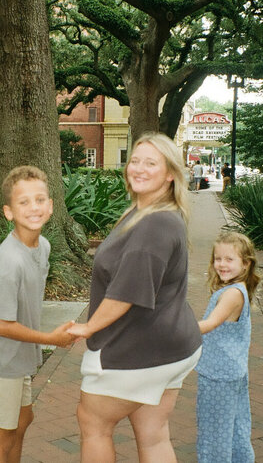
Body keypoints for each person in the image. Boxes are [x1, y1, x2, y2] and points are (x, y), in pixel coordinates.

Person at [68, 133, 203, 462]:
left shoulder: (153, 225)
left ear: (170, 173)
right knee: (153, 434)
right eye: (136, 160)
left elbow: (127, 292)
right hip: (173, 346)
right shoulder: (150, 213)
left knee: (94, 422)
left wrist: (87, 329)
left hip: (138, 350)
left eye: (151, 163)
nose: (139, 168)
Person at [0, 165, 75, 463]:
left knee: (23, 420)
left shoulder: (44, 247)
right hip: (2, 358)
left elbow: (0, 306)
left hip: (17, 353)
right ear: (8, 212)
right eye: (23, 202)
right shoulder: (9, 262)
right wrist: (50, 338)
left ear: (51, 206)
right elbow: (2, 325)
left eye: (39, 199)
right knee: (0, 436)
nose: (33, 207)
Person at [196, 232, 260, 463]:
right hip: (232, 371)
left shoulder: (233, 293)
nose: (222, 264)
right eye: (218, 258)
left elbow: (210, 324)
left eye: (229, 259)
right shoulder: (237, 288)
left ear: (246, 263)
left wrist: (177, 329)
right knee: (236, 427)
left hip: (218, 375)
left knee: (214, 433)